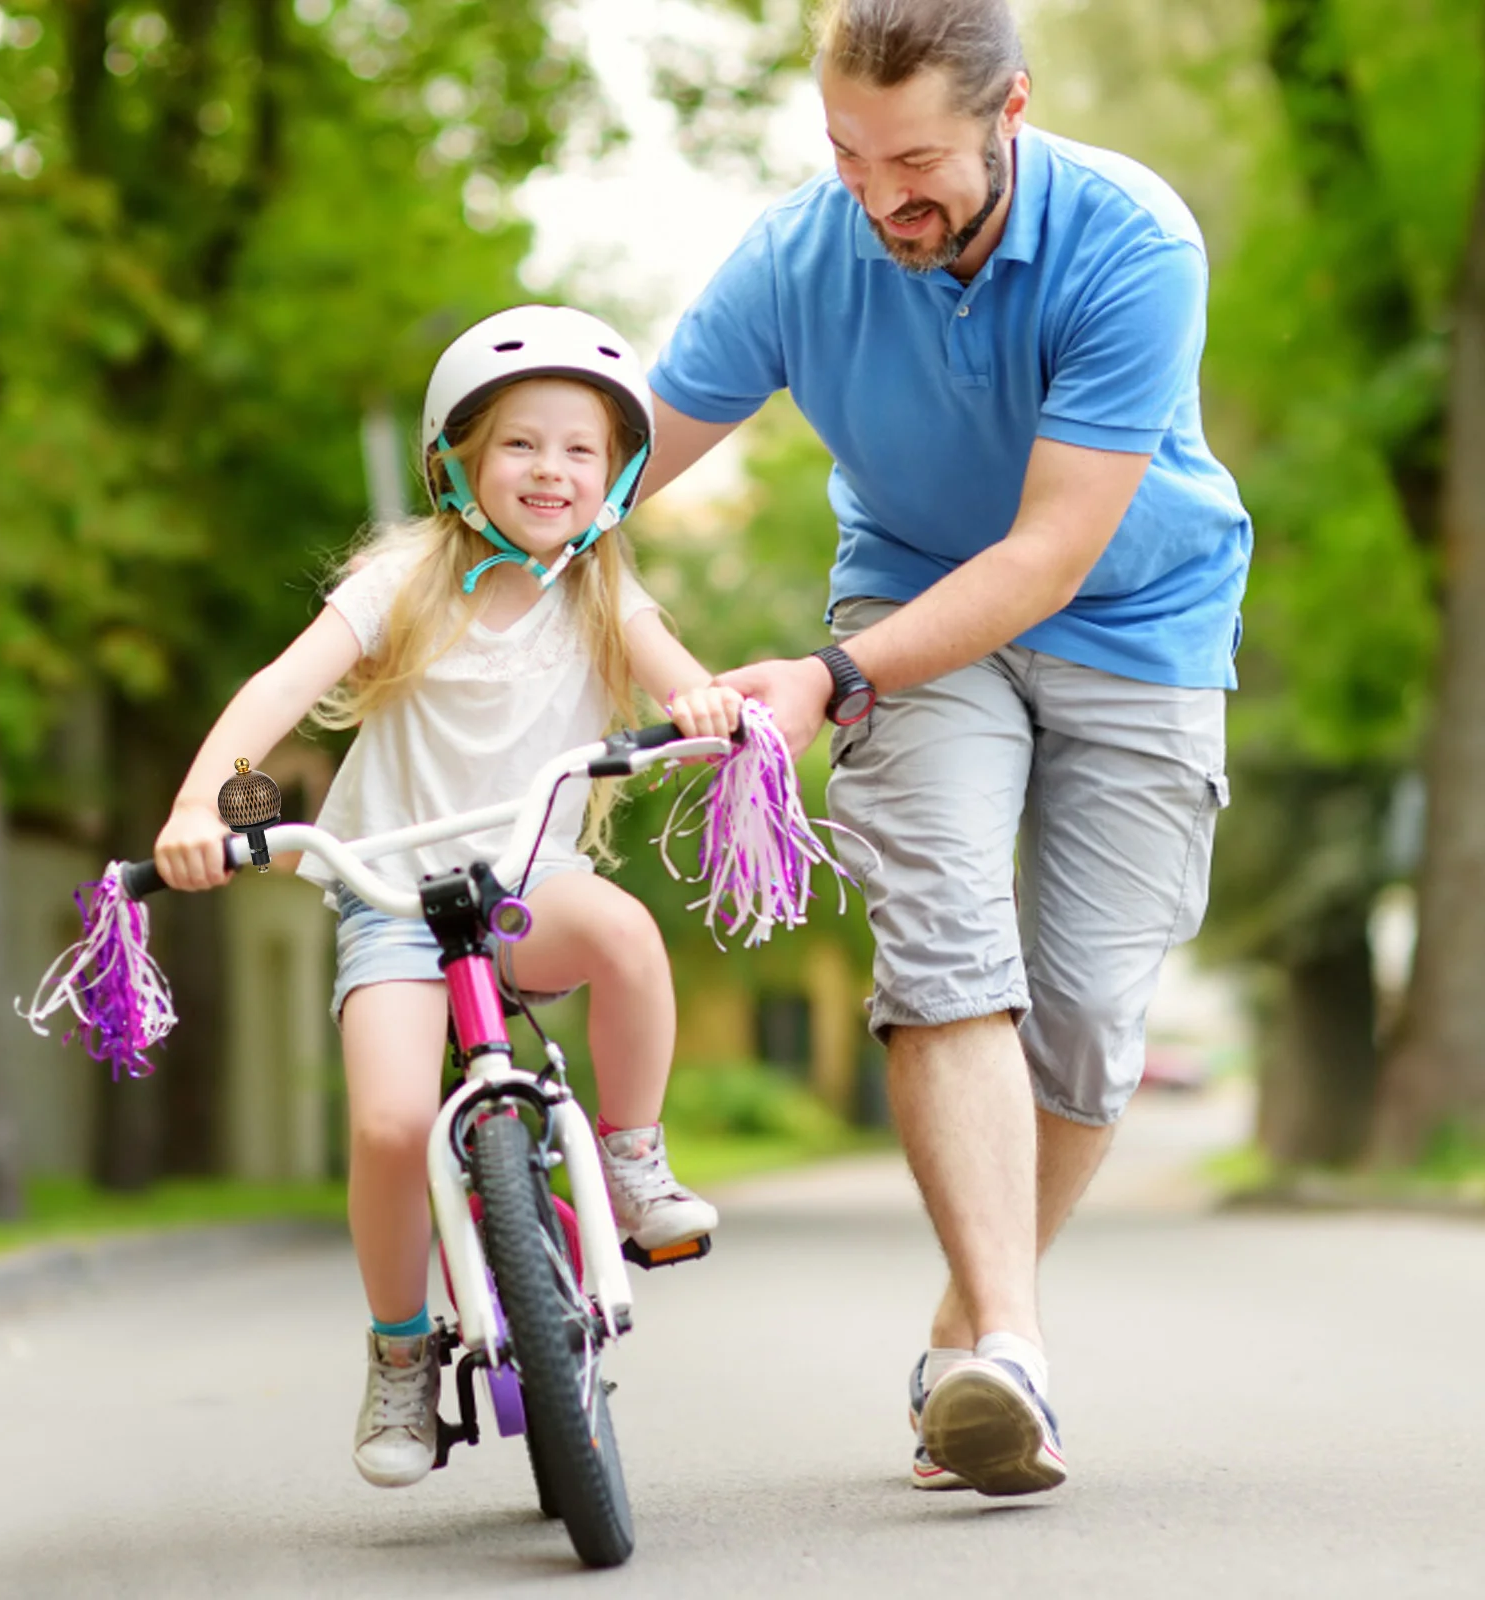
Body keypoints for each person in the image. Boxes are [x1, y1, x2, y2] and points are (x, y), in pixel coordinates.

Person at [639, 0, 1251, 1497]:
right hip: (908, 592)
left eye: (914, 160)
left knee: (1095, 1015)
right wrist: (472, 543)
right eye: (847, 153)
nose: (878, 195)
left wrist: (822, 678)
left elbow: (1048, 553)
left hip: (1134, 615)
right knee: (944, 943)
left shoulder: (1133, 241)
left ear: (1011, 112)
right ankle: (1013, 1362)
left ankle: (971, 1331)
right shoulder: (802, 253)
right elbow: (615, 460)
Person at [153, 305, 741, 1491]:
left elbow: (685, 684)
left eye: (581, 449)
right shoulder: (402, 579)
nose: (551, 470)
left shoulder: (600, 590)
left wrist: (709, 710)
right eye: (522, 444)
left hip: (533, 885)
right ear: (460, 460)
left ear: (617, 473)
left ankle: (629, 1158)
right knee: (383, 1126)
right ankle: (400, 1351)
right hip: (391, 897)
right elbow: (277, 688)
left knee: (625, 934)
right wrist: (196, 806)